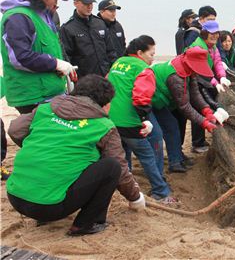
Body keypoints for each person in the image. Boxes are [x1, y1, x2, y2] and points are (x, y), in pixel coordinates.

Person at [6, 75, 145, 236]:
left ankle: (43, 214)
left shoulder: (46, 109)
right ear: (105, 104)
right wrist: (135, 198)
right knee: (111, 167)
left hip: (15, 197)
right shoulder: (104, 126)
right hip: (50, 207)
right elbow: (120, 169)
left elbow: (15, 130)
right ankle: (85, 224)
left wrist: (41, 148)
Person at [107, 35, 176, 203]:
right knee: (147, 155)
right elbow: (141, 98)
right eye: (151, 54)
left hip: (110, 120)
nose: (153, 59)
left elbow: (106, 84)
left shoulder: (118, 62)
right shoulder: (144, 69)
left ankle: (125, 187)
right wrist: (144, 119)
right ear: (140, 52)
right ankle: (161, 191)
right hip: (130, 121)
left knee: (123, 155)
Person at [132, 47, 224, 172]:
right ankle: (172, 163)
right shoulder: (175, 76)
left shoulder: (187, 68)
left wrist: (206, 110)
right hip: (150, 100)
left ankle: (177, 158)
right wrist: (204, 122)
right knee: (162, 131)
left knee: (173, 125)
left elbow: (195, 93)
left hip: (160, 99)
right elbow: (184, 106)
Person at [0, 0, 77, 114]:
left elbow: (49, 47)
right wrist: (55, 63)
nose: (56, 2)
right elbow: (20, 58)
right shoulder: (18, 17)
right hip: (33, 96)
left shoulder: (42, 13)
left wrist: (60, 67)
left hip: (49, 90)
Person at [186, 20, 231, 153]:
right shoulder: (198, 47)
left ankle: (203, 139)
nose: (215, 36)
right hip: (196, 81)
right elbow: (201, 69)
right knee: (200, 110)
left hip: (207, 80)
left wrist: (222, 77)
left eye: (216, 33)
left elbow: (217, 62)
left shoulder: (213, 46)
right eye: (211, 34)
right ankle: (197, 143)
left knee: (209, 108)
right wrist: (215, 83)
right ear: (204, 33)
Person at [60, 0, 117, 77]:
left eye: (91, 3)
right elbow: (66, 57)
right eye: (85, 3)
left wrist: (112, 71)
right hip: (84, 81)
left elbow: (111, 51)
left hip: (105, 77)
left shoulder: (100, 23)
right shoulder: (67, 28)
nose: (89, 6)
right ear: (75, 3)